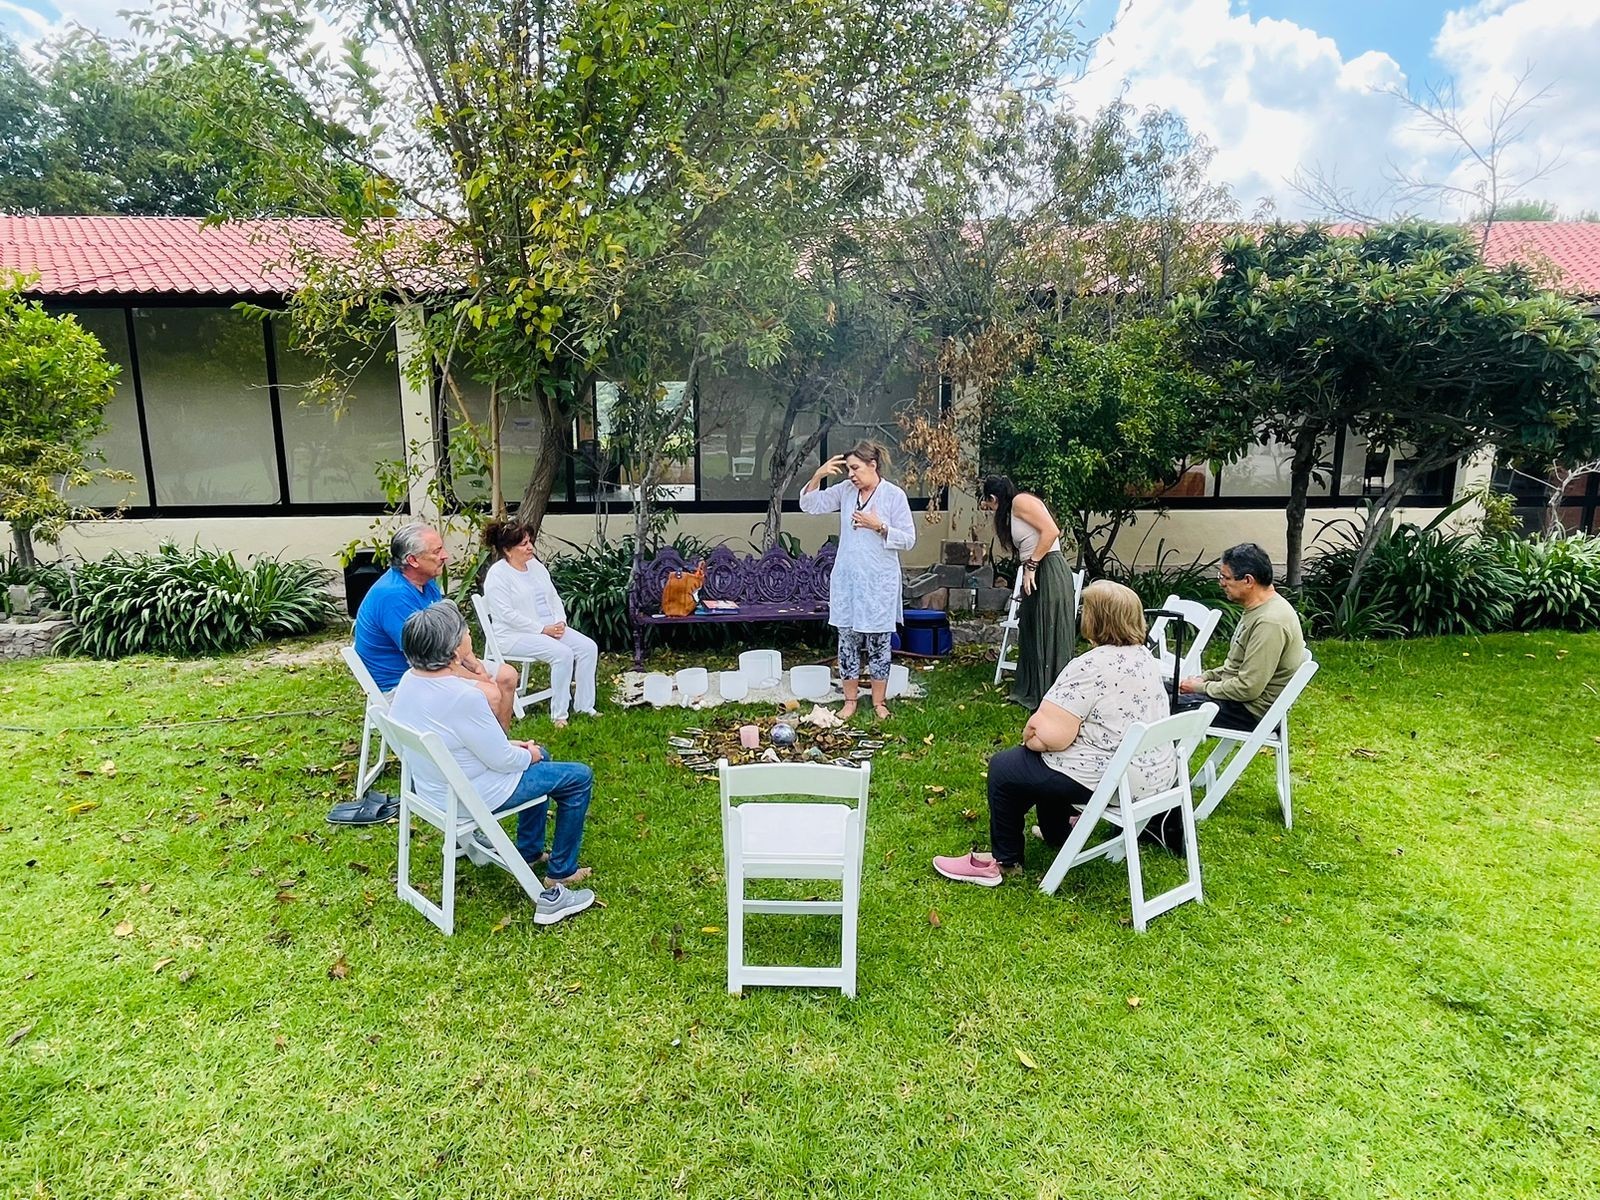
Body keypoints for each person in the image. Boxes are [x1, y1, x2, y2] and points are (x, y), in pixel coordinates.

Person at [933, 580, 1177, 886]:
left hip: (1115, 780)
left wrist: (1032, 737)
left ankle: (1004, 861)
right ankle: (1056, 831)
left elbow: (1048, 736)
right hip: (1154, 776)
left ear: (1094, 619)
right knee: (1056, 760)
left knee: (1008, 767)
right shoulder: (1147, 658)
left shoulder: (1090, 665)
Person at [387, 601, 596, 923]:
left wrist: (520, 748)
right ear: (455, 649)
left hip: (433, 790)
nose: (470, 633)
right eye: (466, 631)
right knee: (578, 776)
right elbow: (502, 760)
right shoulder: (463, 696)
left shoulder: (410, 681)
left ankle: (528, 850)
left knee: (540, 757)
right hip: (473, 794)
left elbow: (462, 741)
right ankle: (561, 874)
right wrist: (529, 752)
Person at [353, 522, 518, 729]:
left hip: (435, 663)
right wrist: (476, 677)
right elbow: (425, 660)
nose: (445, 555)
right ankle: (477, 754)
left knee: (507, 676)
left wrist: (475, 665)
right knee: (490, 694)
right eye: (437, 551)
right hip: (403, 682)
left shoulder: (426, 581)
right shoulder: (393, 596)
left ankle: (499, 749)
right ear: (412, 560)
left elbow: (451, 631)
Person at [799, 440, 916, 720]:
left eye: (855, 468)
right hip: (849, 579)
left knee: (878, 643)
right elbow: (810, 505)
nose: (851, 474)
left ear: (872, 465)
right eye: (848, 469)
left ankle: (879, 703)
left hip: (879, 581)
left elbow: (909, 539)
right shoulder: (846, 492)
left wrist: (880, 527)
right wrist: (818, 475)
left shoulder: (893, 496)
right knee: (848, 642)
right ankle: (849, 700)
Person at [480, 519, 600, 728]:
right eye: (524, 544)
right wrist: (541, 629)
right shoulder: (498, 575)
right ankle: (559, 714)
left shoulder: (535, 566)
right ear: (508, 550)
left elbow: (552, 596)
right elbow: (506, 614)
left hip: (548, 628)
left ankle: (585, 706)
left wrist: (559, 621)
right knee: (562, 654)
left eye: (530, 542)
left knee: (588, 647)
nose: (530, 547)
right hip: (512, 635)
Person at [1176, 542, 1308, 732]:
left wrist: (1200, 688)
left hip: (1247, 712)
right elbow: (1238, 667)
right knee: (1158, 690)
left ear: (1248, 580)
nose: (1221, 583)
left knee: (1160, 706)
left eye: (1225, 577)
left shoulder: (1270, 622)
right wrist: (1205, 677)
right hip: (1235, 701)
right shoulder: (1259, 609)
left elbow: (1248, 688)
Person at [982, 474, 1076, 709]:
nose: (992, 510)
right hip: (1034, 572)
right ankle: (1033, 688)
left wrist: (1032, 565)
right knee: (1031, 628)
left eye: (990, 504)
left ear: (994, 498)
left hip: (1048, 569)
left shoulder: (1021, 502)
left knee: (1048, 628)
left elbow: (1052, 531)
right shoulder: (1013, 511)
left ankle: (1052, 693)